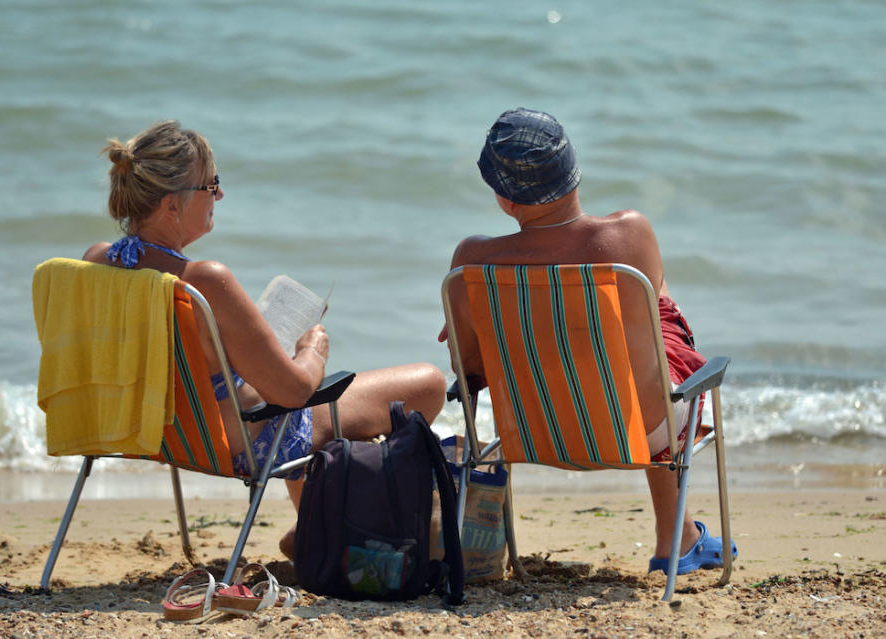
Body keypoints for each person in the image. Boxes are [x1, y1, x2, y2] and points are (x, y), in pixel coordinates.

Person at [83, 120, 447, 557]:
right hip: (228, 442)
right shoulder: (203, 282)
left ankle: (315, 520)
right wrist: (311, 349)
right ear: (171, 208)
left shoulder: (97, 262)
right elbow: (293, 391)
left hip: (158, 433)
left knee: (268, 388)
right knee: (424, 383)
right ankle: (327, 526)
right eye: (209, 185)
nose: (219, 195)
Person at [439, 107, 735, 575]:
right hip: (639, 431)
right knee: (653, 312)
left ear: (505, 199)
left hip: (532, 432)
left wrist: (468, 321)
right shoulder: (629, 235)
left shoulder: (471, 261)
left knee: (617, 325)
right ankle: (676, 538)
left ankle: (680, 535)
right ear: (574, 169)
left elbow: (469, 368)